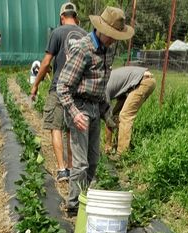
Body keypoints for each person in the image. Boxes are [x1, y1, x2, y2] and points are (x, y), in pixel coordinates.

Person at [56, 7, 133, 216]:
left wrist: (108, 115)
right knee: (80, 163)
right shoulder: (83, 49)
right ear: (102, 29)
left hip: (95, 108)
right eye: (113, 36)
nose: (115, 40)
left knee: (93, 161)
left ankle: (84, 199)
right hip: (79, 107)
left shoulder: (107, 50)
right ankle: (73, 206)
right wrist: (74, 113)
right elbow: (62, 86)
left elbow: (100, 88)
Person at [30, 2, 86, 182]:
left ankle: (62, 170)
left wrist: (35, 85)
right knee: (71, 130)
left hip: (59, 88)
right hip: (78, 90)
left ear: (62, 17)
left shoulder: (57, 32)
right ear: (75, 17)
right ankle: (72, 167)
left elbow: (46, 63)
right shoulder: (85, 35)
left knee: (56, 127)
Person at [104, 65, 155, 156]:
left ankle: (122, 154)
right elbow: (113, 113)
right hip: (142, 80)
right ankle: (118, 144)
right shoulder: (107, 81)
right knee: (115, 115)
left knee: (124, 116)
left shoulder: (103, 88)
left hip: (144, 81)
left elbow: (108, 118)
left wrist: (107, 145)